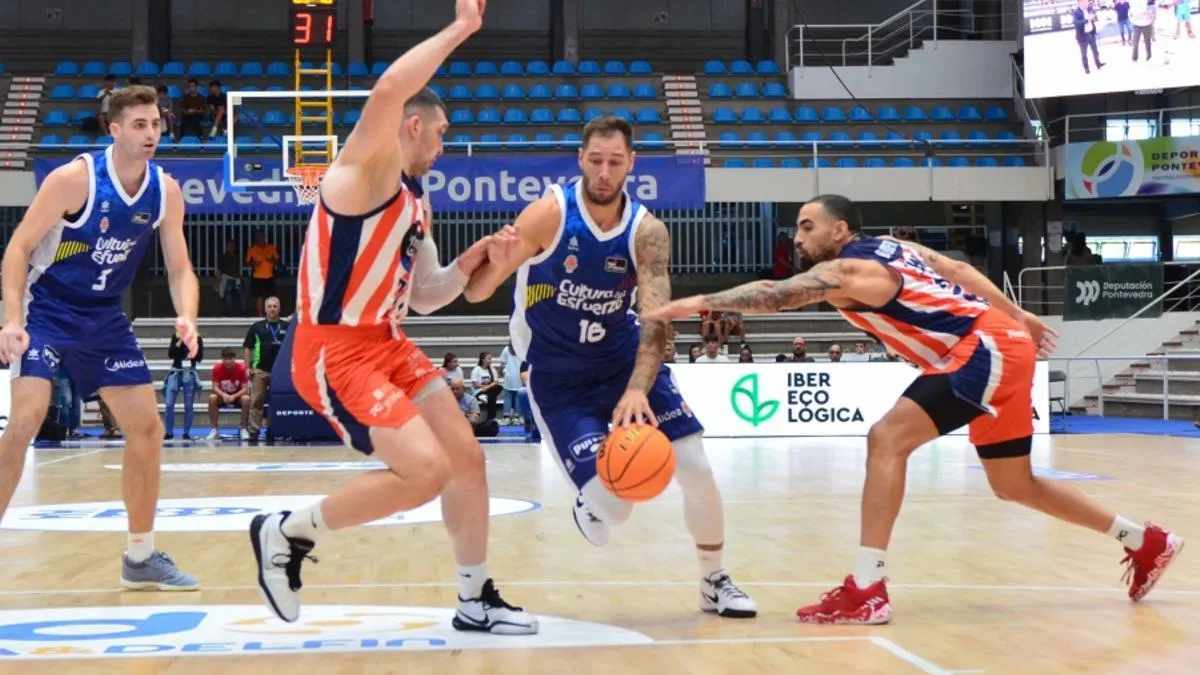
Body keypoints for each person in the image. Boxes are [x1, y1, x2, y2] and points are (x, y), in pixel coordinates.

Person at [647, 193, 1184, 624]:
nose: (798, 234)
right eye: (797, 225)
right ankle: (1145, 541)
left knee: (885, 439)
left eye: (808, 225)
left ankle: (867, 586)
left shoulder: (848, 270)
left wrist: (700, 302)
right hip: (997, 343)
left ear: (840, 230)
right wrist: (1020, 314)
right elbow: (958, 269)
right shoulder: (893, 247)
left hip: (982, 348)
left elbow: (777, 294)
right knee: (1014, 484)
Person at [247, 0, 537, 634]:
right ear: (410, 126)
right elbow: (388, 87)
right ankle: (286, 533)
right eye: (439, 132)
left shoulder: (412, 201)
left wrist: (478, 257)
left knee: (466, 457)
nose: (443, 144)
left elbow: (428, 295)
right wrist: (461, 28)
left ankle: (473, 599)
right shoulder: (362, 175)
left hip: (389, 341)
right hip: (334, 352)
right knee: (426, 471)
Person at [463, 115, 757, 619]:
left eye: (615, 162)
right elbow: (476, 293)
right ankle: (591, 499)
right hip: (558, 375)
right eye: (595, 160)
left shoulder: (648, 231)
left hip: (624, 361)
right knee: (614, 508)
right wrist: (494, 259)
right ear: (580, 159)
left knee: (696, 468)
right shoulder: (548, 215)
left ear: (631, 164)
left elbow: (657, 319)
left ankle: (714, 580)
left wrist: (639, 388)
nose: (604, 172)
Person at [0, 85, 201, 591]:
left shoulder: (165, 190)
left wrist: (189, 318)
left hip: (105, 318)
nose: (151, 133)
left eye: (155, 123)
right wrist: (11, 320)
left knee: (148, 429)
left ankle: (140, 557)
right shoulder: (75, 179)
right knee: (24, 420)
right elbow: (18, 248)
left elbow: (180, 268)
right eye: (139, 125)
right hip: (46, 308)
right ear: (114, 130)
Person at [242, 296, 287, 440]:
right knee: (256, 401)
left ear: (279, 309)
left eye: (275, 306)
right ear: (265, 309)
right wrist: (247, 367)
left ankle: (272, 430)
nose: (272, 309)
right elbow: (248, 348)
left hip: (279, 372)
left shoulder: (286, 326)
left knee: (276, 401)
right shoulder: (256, 327)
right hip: (259, 370)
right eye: (269, 306)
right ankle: (254, 431)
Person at [207, 348, 250, 440]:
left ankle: (244, 429)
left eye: (230, 358)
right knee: (212, 397)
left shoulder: (241, 369)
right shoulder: (217, 368)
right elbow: (214, 387)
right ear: (222, 359)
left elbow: (245, 389)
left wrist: (234, 396)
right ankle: (214, 429)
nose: (228, 361)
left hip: (237, 396)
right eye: (225, 359)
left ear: (234, 358)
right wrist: (223, 395)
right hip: (223, 396)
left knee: (246, 399)